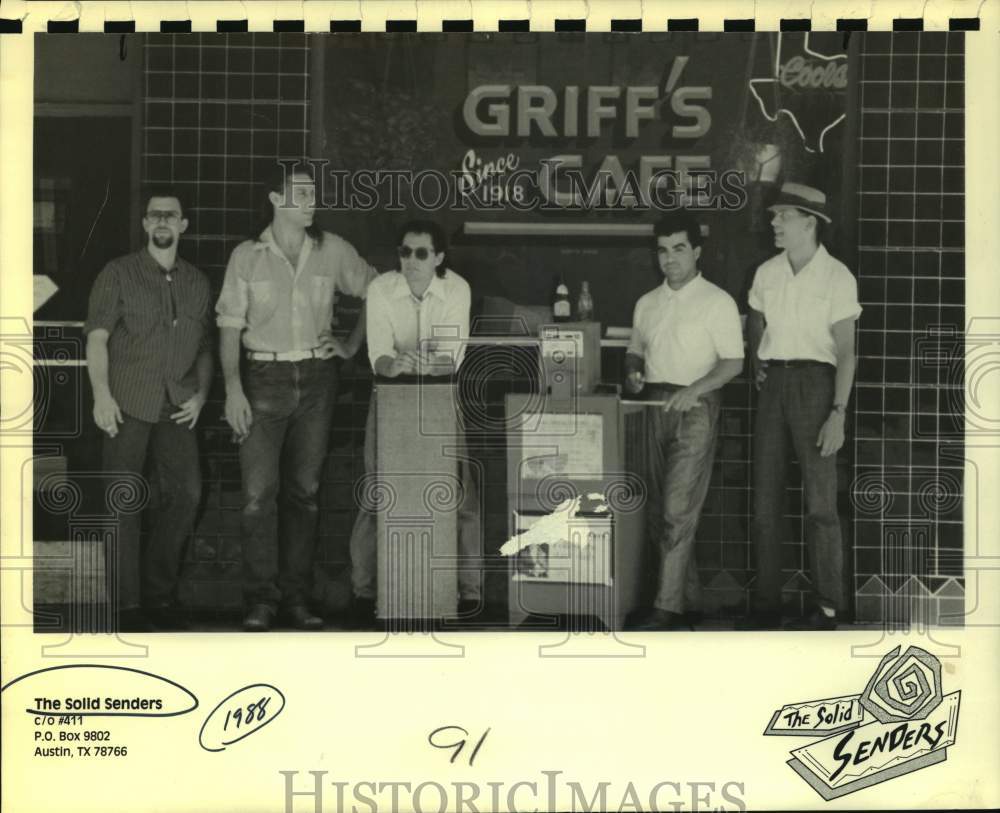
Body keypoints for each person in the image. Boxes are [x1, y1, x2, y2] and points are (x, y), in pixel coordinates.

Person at [216, 161, 377, 632]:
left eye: (312, 193)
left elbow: (378, 289)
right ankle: (260, 601)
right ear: (275, 199)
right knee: (256, 497)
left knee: (304, 494)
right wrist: (232, 391)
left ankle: (296, 600)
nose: (311, 202)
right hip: (261, 377)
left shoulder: (333, 251)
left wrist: (349, 345)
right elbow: (228, 327)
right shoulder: (247, 256)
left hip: (317, 379)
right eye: (300, 193)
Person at [84, 189, 212, 632]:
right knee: (121, 500)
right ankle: (125, 605)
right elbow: (97, 338)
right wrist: (101, 394)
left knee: (187, 494)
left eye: (171, 215)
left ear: (183, 225)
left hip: (176, 405)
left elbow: (204, 347)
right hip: (126, 402)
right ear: (144, 224)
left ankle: (158, 597)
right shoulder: (117, 273)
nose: (162, 221)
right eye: (154, 215)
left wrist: (202, 395)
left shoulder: (197, 281)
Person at [348, 219, 481, 627]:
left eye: (422, 253)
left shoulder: (456, 288)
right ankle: (363, 591)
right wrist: (395, 364)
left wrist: (426, 360)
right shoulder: (381, 289)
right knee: (376, 491)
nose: (411, 261)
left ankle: (469, 591)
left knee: (459, 493)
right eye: (405, 252)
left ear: (439, 257)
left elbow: (450, 354)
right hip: (390, 398)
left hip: (441, 397)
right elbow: (380, 355)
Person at [744, 182, 861, 631]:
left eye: (783, 217)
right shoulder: (767, 272)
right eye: (774, 216)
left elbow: (848, 351)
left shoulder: (837, 277)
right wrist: (757, 356)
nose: (774, 223)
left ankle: (828, 607)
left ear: (809, 223)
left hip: (817, 386)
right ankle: (767, 605)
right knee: (764, 499)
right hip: (774, 384)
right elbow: (755, 315)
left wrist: (838, 411)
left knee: (819, 502)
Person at [624, 212, 744, 631]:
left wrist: (695, 390)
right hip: (654, 407)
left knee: (678, 507)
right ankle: (687, 598)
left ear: (696, 251)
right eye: (662, 250)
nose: (670, 258)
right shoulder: (647, 302)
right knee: (659, 509)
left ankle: (666, 607)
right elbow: (635, 348)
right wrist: (633, 370)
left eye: (678, 248)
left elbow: (734, 362)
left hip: (696, 408)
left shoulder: (717, 301)